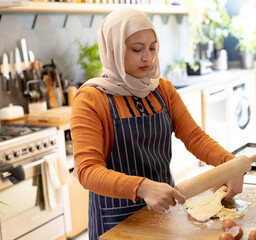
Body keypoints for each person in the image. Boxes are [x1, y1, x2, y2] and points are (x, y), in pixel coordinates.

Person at [70, 8, 244, 239]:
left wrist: (230, 165)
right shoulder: (92, 99)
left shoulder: (162, 90)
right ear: (112, 50)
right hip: (115, 220)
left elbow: (194, 137)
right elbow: (88, 171)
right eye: (136, 49)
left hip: (165, 211)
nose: (147, 57)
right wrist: (142, 187)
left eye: (152, 47)